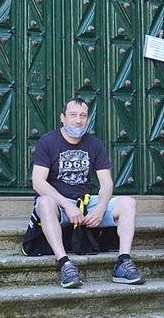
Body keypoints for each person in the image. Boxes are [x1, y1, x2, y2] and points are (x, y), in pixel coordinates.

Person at [31, 97, 143, 288]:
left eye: (83, 115)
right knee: (45, 202)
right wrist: (67, 205)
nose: (78, 120)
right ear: (62, 118)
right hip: (60, 204)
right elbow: (38, 182)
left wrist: (100, 208)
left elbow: (106, 182)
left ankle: (123, 262)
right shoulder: (48, 142)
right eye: (73, 115)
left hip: (86, 202)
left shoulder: (95, 144)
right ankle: (65, 264)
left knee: (128, 203)